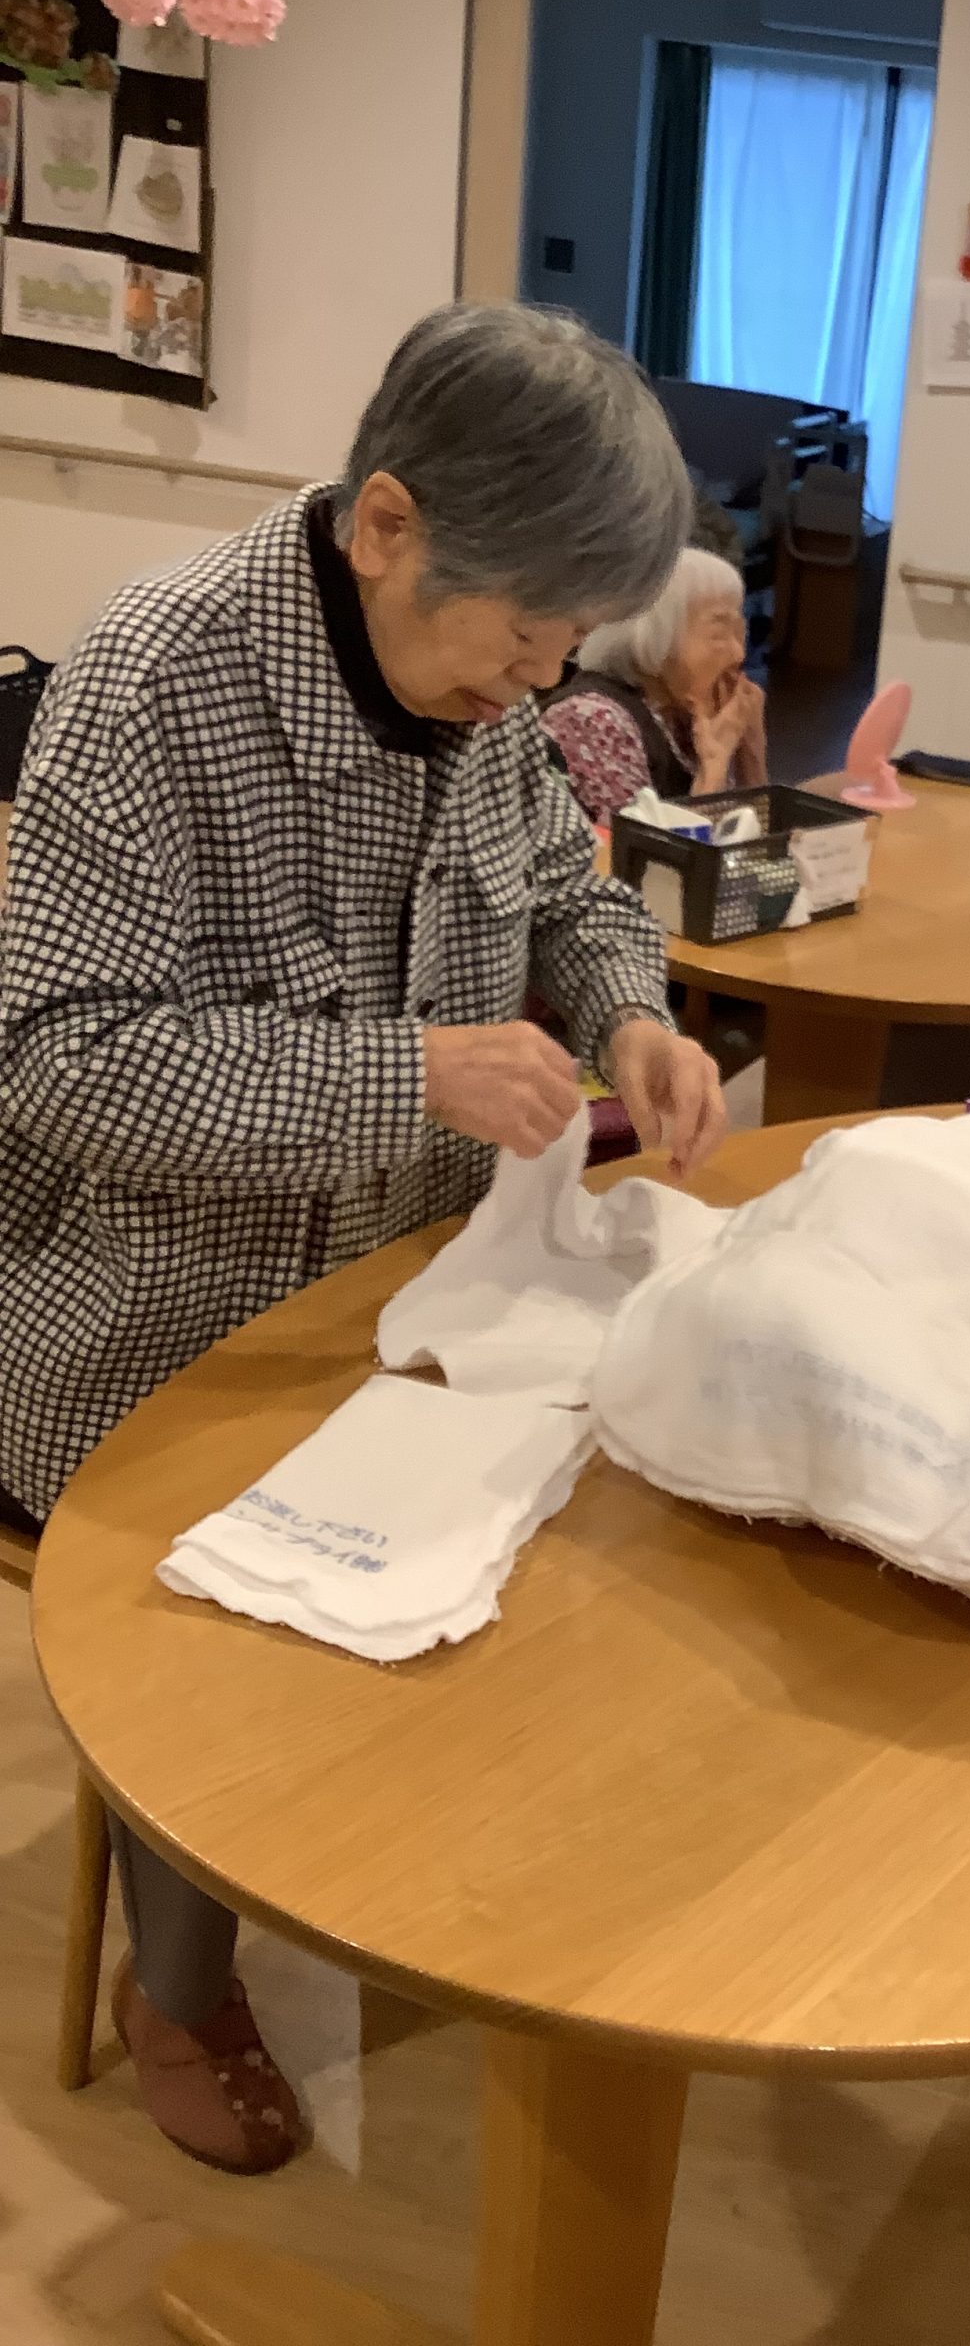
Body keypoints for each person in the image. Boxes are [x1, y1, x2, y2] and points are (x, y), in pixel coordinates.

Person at [0, 301, 728, 2175]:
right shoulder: (154, 685)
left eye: (567, 649)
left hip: (398, 1281)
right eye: (523, 640)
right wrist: (404, 1078)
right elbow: (50, 1059)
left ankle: (392, 1840)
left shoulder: (481, 678)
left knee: (564, 1508)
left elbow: (565, 896)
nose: (538, 683)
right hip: (145, 1318)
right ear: (387, 524)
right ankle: (179, 1983)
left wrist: (631, 1013)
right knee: (226, 1611)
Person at [541, 546, 767, 823]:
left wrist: (750, 752)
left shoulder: (684, 716)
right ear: (658, 637)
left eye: (739, 632)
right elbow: (640, 848)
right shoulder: (592, 720)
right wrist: (713, 769)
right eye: (719, 634)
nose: (738, 654)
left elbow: (754, 839)